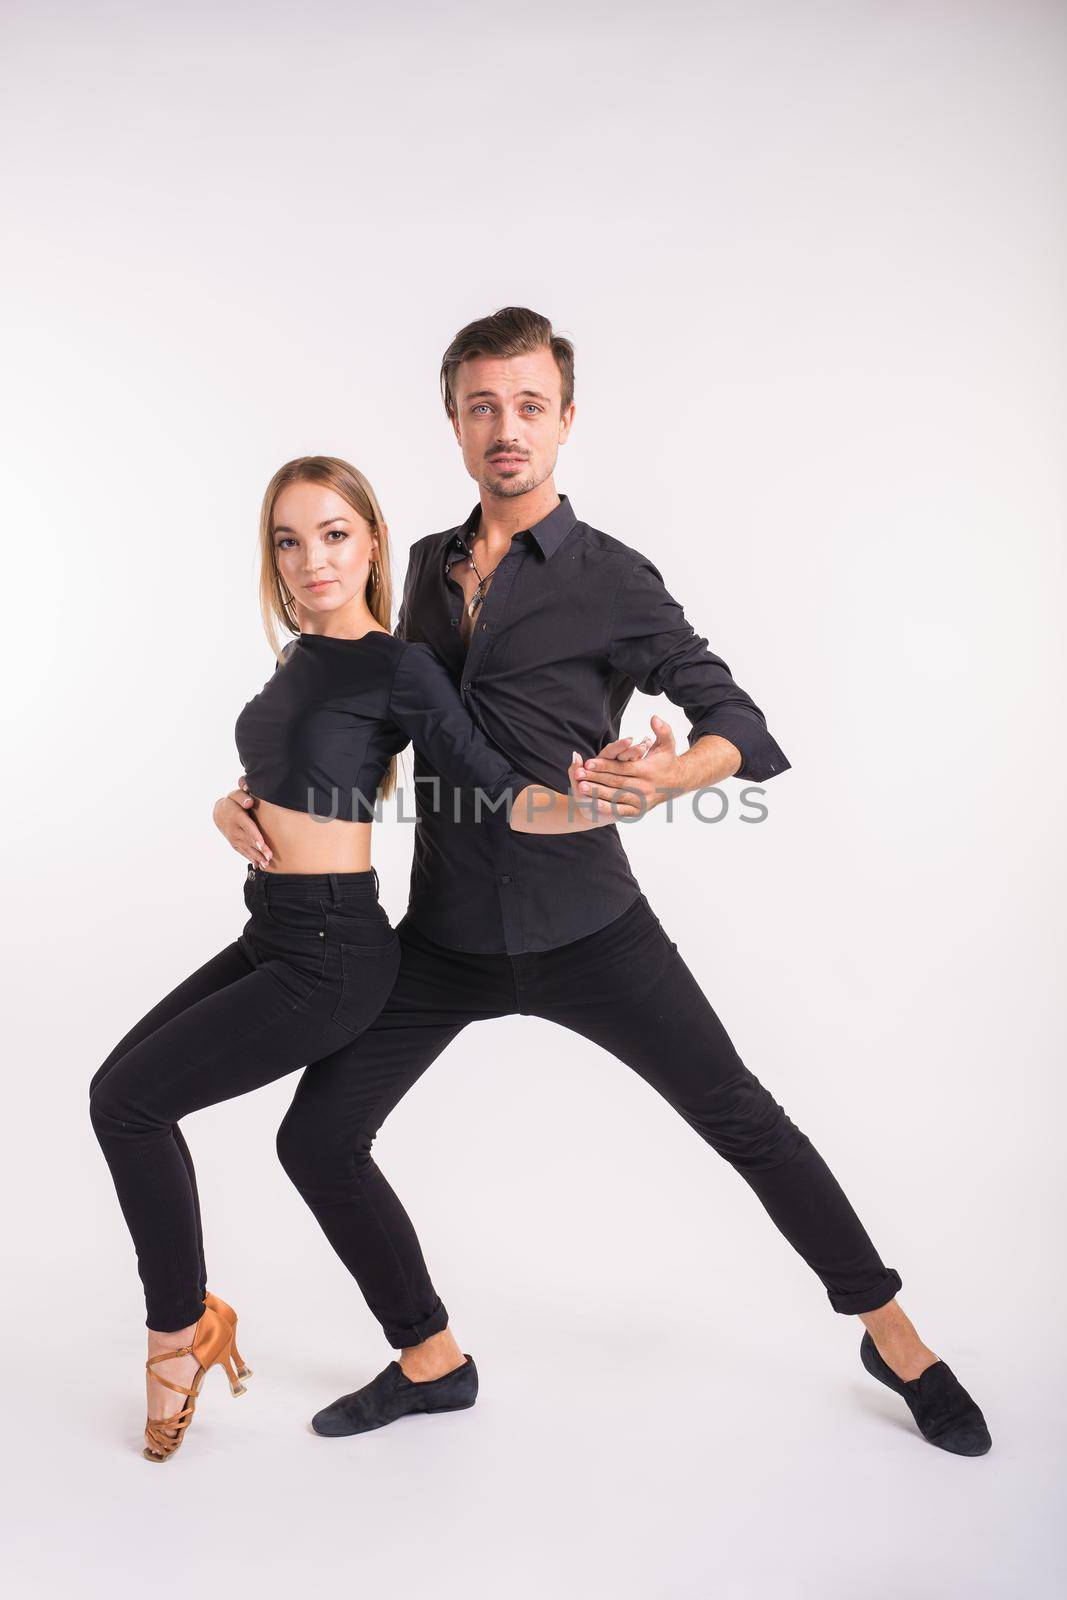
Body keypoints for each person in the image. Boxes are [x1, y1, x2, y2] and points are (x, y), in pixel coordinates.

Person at [216, 309, 991, 1457]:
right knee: (317, 1139)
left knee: (746, 1121)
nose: (505, 427)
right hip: (439, 939)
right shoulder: (418, 568)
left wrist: (667, 775)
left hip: (588, 926)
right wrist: (253, 789)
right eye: (482, 404)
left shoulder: (612, 579)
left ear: (565, 421)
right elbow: (356, 710)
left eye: (529, 404)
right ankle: (431, 1361)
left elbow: (737, 719)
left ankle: (892, 1332)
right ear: (453, 421)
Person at [90, 453, 633, 1464]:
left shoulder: (400, 666)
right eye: (289, 541)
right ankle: (432, 1356)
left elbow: (494, 784)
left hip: (332, 956)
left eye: (333, 534)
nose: (311, 560)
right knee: (297, 1141)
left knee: (128, 1104)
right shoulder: (300, 657)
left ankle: (179, 1334)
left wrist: (609, 794)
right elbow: (289, 762)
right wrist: (228, 802)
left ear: (372, 543)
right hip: (274, 929)